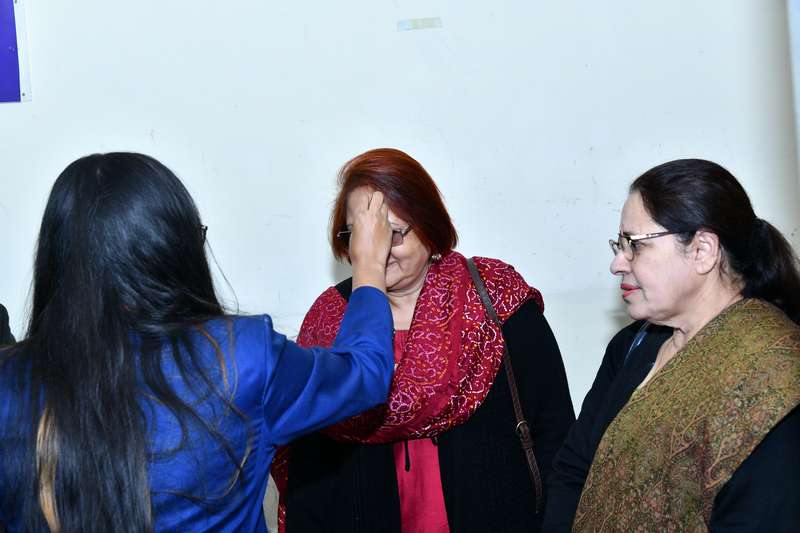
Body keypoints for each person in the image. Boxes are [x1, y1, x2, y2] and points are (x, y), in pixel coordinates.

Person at [0, 152, 397, 532]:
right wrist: (368, 264)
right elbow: (365, 373)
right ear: (172, 250)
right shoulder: (241, 358)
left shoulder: (9, 383)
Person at [275, 148, 575, 533]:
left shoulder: (494, 299)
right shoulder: (328, 322)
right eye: (360, 235)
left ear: (428, 226)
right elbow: (308, 468)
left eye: (390, 233)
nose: (374, 252)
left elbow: (555, 432)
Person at [543, 159, 800, 532]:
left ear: (702, 250)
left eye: (634, 245)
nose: (617, 264)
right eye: (619, 245)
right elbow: (573, 470)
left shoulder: (771, 376)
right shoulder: (633, 346)